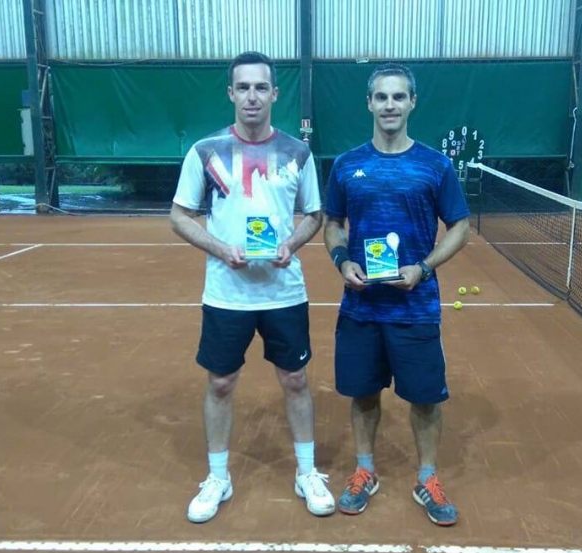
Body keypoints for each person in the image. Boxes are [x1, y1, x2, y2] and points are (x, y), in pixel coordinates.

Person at [171, 51, 334, 524]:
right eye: (243, 87)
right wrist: (221, 249)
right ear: (231, 93)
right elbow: (179, 216)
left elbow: (315, 215)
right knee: (220, 383)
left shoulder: (298, 153)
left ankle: (307, 473)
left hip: (284, 291)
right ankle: (217, 477)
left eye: (261, 87)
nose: (252, 96)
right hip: (227, 294)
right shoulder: (205, 152)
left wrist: (291, 244)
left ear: (274, 94)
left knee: (296, 380)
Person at [322, 63, 470, 526]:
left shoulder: (435, 165)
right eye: (382, 97)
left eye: (398, 96)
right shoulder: (346, 165)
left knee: (425, 398)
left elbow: (460, 226)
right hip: (361, 307)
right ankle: (365, 471)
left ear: (412, 103)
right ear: (369, 103)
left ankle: (427, 478)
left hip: (416, 307)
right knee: (364, 394)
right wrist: (341, 261)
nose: (390, 105)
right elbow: (332, 224)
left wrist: (424, 267)